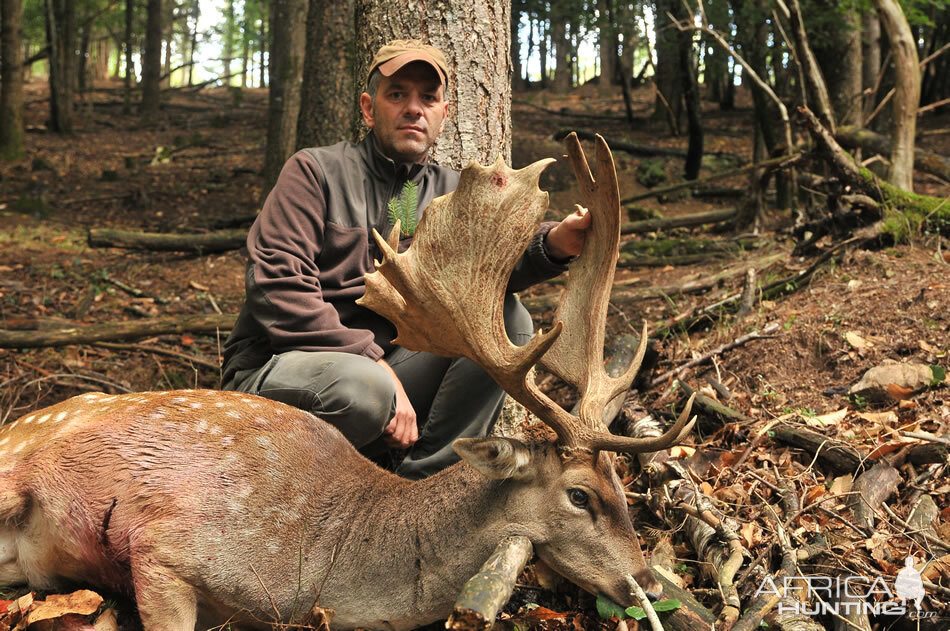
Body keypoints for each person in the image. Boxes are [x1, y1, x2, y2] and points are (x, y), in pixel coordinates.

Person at [222, 39, 591, 478]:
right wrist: (371, 361)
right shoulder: (315, 173)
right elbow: (276, 284)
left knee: (508, 319)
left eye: (428, 98)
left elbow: (493, 265)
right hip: (286, 369)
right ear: (368, 107)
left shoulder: (452, 192)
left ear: (444, 114)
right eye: (397, 94)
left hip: (389, 377)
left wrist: (555, 244)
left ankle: (424, 488)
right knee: (367, 389)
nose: (413, 108)